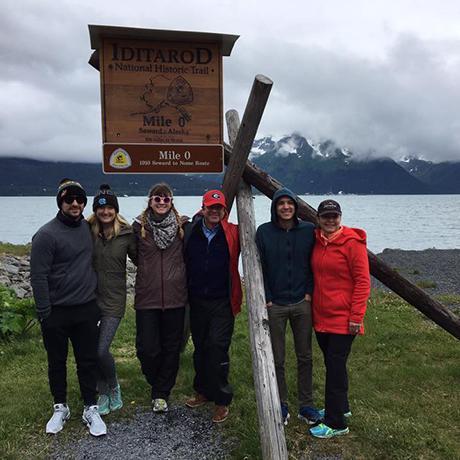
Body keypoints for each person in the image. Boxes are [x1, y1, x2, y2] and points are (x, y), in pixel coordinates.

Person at [30, 178, 106, 436]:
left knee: (88, 361)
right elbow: (38, 276)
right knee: (57, 362)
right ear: (60, 202)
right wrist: (44, 313)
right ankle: (60, 406)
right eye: (69, 199)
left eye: (80, 199)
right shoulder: (46, 235)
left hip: (86, 307)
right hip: (56, 312)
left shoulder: (89, 228)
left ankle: (90, 407)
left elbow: (115, 223)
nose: (75, 203)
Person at [256, 188, 320, 426]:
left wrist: (309, 292)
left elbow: (315, 262)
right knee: (277, 358)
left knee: (305, 356)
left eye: (289, 203)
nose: (285, 207)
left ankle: (306, 405)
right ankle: (280, 403)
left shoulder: (308, 230)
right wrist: (268, 297)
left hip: (302, 303)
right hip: (276, 305)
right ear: (274, 207)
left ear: (295, 206)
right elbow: (258, 265)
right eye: (280, 203)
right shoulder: (263, 232)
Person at [309, 199, 371, 439]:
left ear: (340, 217)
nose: (330, 220)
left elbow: (363, 281)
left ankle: (336, 423)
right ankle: (341, 406)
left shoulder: (352, 244)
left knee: (334, 369)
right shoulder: (316, 241)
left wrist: (356, 316)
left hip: (344, 319)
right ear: (318, 219)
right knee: (334, 365)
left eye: (334, 216)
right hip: (321, 317)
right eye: (326, 216)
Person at [184, 189, 242, 423]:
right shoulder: (190, 230)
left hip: (222, 301)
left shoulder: (234, 232)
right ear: (203, 208)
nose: (215, 211)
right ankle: (203, 391)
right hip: (197, 299)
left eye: (219, 208)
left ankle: (221, 399)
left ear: (224, 210)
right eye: (211, 207)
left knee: (217, 347)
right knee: (200, 347)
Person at [133, 183, 187, 413]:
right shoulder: (138, 228)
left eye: (166, 198)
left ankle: (161, 393)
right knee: (146, 349)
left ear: (171, 201)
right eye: (157, 198)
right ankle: (156, 381)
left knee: (171, 348)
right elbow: (134, 255)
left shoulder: (183, 227)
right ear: (150, 200)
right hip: (147, 297)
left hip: (176, 297)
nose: (162, 202)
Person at [87, 184, 137, 416]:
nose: (105, 212)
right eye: (101, 208)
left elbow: (143, 258)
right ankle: (103, 392)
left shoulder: (127, 233)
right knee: (91, 348)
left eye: (109, 208)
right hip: (89, 299)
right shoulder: (86, 231)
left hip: (114, 301)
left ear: (115, 210)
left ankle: (113, 387)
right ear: (96, 210)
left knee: (100, 349)